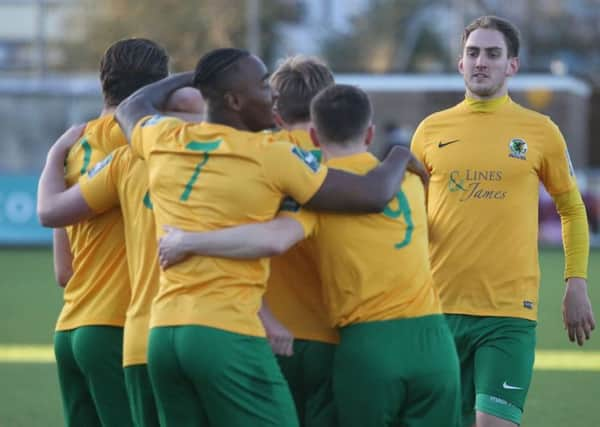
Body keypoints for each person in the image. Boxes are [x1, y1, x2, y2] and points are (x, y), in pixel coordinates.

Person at [114, 48, 423, 427]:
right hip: (229, 332)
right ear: (234, 100)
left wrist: (198, 75)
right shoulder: (272, 155)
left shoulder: (164, 137)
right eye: (262, 86)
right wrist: (397, 157)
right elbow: (371, 195)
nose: (271, 94)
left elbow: (131, 105)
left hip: (163, 336)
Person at [409, 15, 596, 427]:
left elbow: (572, 209)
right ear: (460, 63)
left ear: (512, 65)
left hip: (509, 312)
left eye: (493, 54)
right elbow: (411, 220)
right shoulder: (428, 132)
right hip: (437, 310)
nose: (481, 62)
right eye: (473, 53)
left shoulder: (540, 131)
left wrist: (576, 282)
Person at [36, 38, 171, 427]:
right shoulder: (136, 140)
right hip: (117, 330)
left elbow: (65, 273)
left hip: (71, 329)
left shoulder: (73, 148)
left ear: (103, 83)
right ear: (157, 89)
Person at [264, 55, 339, 427]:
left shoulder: (255, 156)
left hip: (264, 332)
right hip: (333, 335)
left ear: (274, 108)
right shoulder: (346, 158)